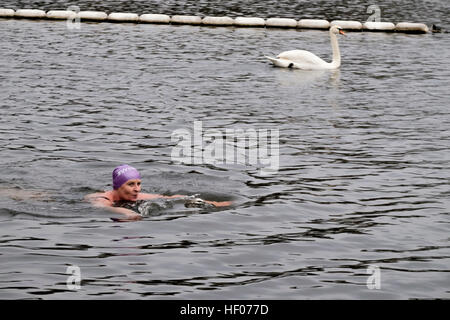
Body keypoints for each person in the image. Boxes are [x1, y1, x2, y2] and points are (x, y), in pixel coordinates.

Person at [85, 164, 232, 221]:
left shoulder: (137, 195)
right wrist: (124, 212)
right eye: (131, 184)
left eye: (139, 184)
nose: (137, 189)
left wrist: (213, 203)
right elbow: (102, 208)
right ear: (117, 186)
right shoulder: (102, 197)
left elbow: (170, 198)